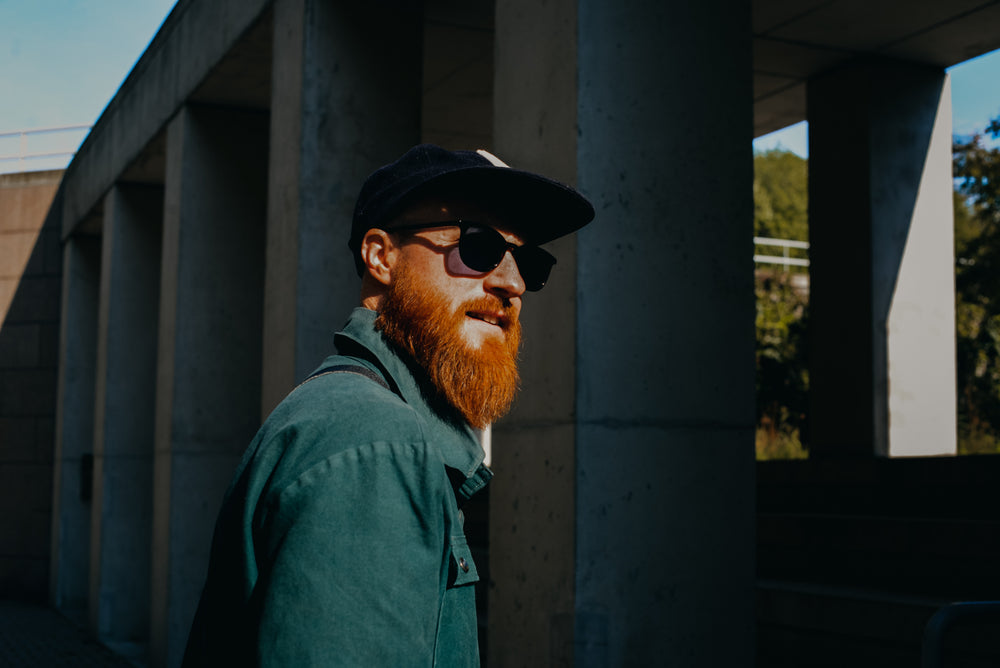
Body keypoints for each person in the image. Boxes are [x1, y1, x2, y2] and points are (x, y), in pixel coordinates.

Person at [182, 144, 594, 666]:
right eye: (480, 245)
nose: (511, 283)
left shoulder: (361, 417)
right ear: (381, 256)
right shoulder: (375, 443)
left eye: (528, 262)